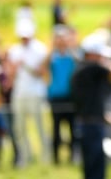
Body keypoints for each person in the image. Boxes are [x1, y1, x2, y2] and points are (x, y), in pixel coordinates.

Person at [71, 34, 111, 179]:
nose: (102, 58)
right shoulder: (92, 68)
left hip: (86, 125)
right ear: (91, 54)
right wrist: (110, 63)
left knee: (91, 168)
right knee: (97, 169)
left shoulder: (80, 71)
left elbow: (92, 107)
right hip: (93, 128)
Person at [5, 18, 49, 167]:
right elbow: (10, 74)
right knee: (20, 128)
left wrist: (26, 65)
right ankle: (24, 156)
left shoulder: (40, 49)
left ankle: (45, 157)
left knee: (40, 126)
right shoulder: (14, 50)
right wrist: (14, 67)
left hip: (36, 93)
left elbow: (42, 72)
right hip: (19, 93)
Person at [46, 26, 78, 164]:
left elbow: (78, 62)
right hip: (56, 97)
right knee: (56, 129)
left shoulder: (72, 55)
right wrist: (52, 47)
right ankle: (56, 158)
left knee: (72, 128)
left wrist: (70, 45)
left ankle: (72, 157)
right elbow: (42, 67)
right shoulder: (52, 57)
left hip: (70, 96)